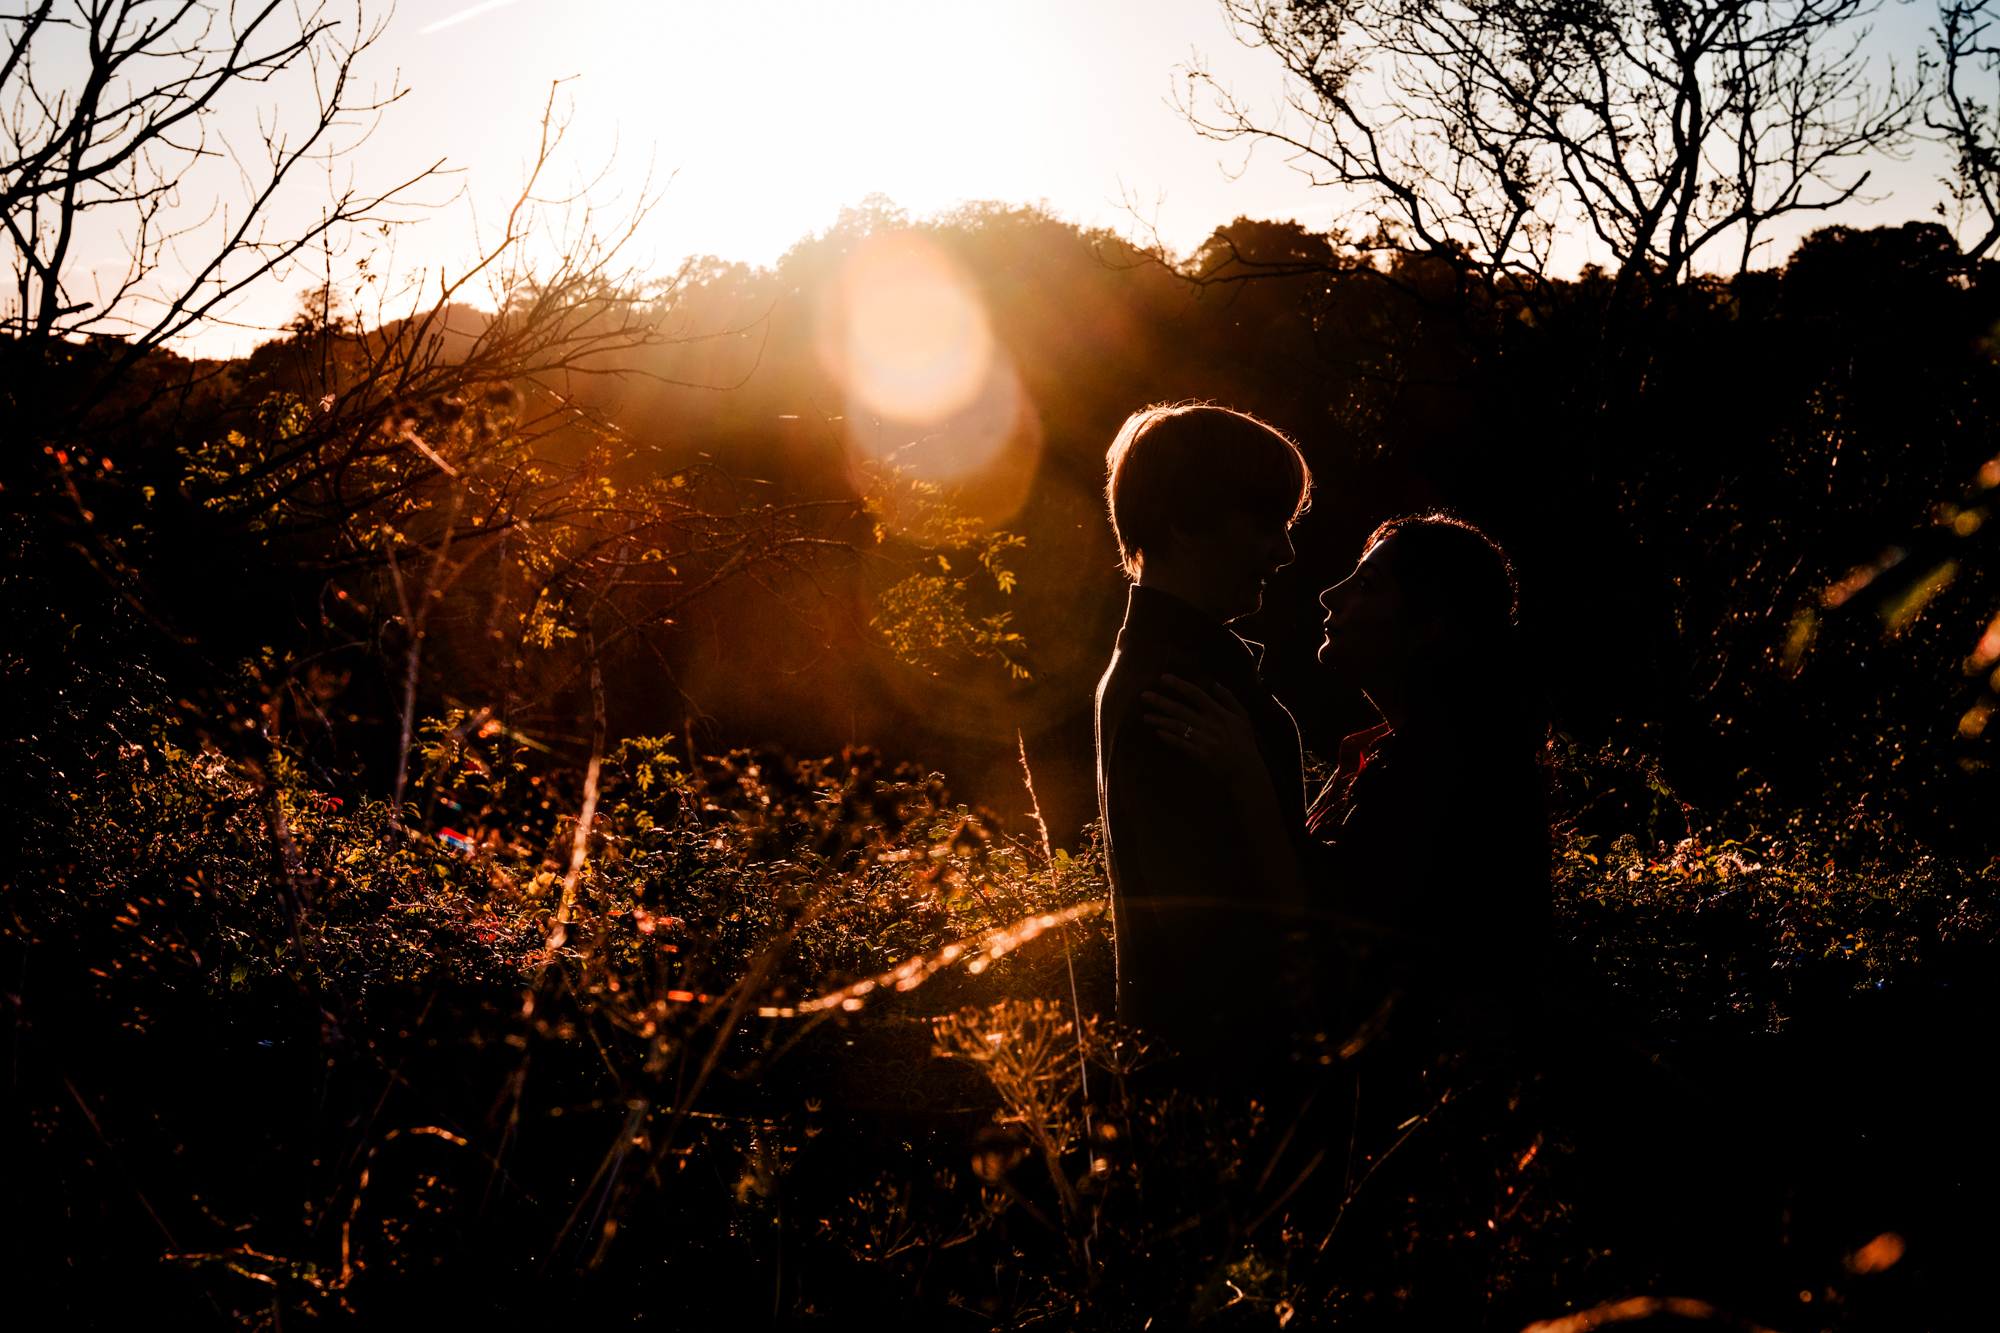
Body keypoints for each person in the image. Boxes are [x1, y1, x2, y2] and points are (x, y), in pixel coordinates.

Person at [1143, 513, 1550, 1051]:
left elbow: (1322, 932)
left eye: (1365, 585)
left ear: (1424, 632)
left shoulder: (1450, 773)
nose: (1329, 596)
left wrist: (1249, 776)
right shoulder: (1390, 755)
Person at [1092, 403, 1319, 1072]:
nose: (1285, 551)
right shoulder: (1179, 691)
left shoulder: (1168, 667)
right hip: (1232, 1093)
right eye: (1265, 524)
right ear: (1184, 525)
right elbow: (1212, 938)